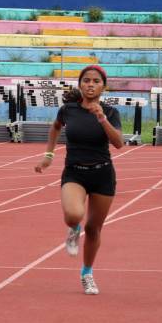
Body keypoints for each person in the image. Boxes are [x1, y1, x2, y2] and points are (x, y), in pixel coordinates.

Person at [34, 65, 124, 295]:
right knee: (75, 214)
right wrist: (48, 155)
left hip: (103, 174)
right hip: (75, 172)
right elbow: (55, 129)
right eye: (86, 81)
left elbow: (119, 143)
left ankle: (87, 273)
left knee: (94, 228)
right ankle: (74, 229)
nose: (90, 84)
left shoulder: (111, 112)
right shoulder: (67, 110)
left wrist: (102, 118)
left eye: (95, 81)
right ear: (80, 84)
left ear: (103, 86)